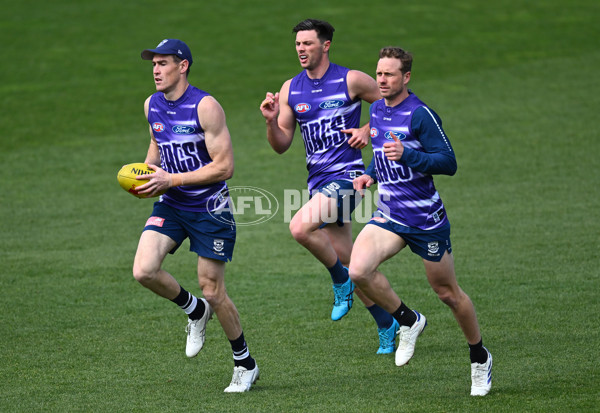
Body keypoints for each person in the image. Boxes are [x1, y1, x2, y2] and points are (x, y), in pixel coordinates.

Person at [349, 46, 492, 396]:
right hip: (390, 214)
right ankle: (408, 320)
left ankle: (479, 357)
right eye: (379, 73)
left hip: (425, 220)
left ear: (406, 77)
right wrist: (370, 175)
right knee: (357, 271)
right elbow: (384, 152)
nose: (382, 80)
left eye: (390, 74)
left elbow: (448, 162)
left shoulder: (421, 115)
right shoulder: (377, 109)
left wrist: (409, 154)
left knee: (447, 293)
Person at [260, 19, 400, 354]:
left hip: (348, 178)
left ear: (325, 45)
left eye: (308, 43)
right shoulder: (291, 89)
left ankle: (338, 281)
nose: (301, 50)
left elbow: (396, 104)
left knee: (299, 227)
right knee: (356, 265)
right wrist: (270, 121)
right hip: (318, 182)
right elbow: (281, 144)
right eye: (297, 44)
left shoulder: (350, 79)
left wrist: (368, 129)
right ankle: (389, 322)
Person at [131, 39, 258, 393]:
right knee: (143, 270)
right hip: (171, 203)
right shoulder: (151, 105)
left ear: (182, 66)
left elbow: (225, 167)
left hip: (208, 209)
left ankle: (244, 363)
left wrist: (172, 179)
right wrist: (144, 174)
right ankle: (193, 310)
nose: (156, 70)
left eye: (163, 63)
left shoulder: (205, 107)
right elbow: (158, 146)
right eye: (153, 64)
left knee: (213, 289)